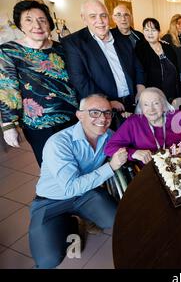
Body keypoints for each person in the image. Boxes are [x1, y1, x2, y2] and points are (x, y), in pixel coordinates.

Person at [28, 94, 128, 268]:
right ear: (79, 115)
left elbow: (131, 143)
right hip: (50, 201)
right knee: (47, 261)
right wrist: (110, 167)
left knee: (116, 220)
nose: (103, 118)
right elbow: (70, 188)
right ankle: (71, 224)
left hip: (86, 194)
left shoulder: (109, 136)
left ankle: (83, 216)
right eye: (94, 112)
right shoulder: (58, 143)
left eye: (107, 113)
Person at [0, 0, 78, 166]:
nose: (37, 25)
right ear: (20, 25)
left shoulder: (62, 48)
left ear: (49, 23)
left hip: (75, 118)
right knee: (54, 170)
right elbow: (7, 88)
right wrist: (8, 125)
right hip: (40, 125)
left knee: (82, 162)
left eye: (42, 20)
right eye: (29, 20)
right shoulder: (10, 51)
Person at [62, 0, 145, 114]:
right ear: (84, 19)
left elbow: (137, 65)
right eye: (93, 16)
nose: (100, 21)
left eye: (103, 15)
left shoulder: (121, 37)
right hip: (102, 109)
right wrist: (106, 102)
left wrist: (141, 88)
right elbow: (80, 80)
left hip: (132, 102)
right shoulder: (74, 43)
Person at [104, 87, 181, 166]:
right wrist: (133, 153)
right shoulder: (133, 123)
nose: (151, 109)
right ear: (141, 108)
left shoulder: (175, 116)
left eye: (156, 103)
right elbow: (109, 148)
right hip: (151, 169)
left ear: (164, 105)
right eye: (146, 105)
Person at [135, 18, 179, 103]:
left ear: (159, 31)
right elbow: (139, 72)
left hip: (172, 93)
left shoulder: (168, 47)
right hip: (154, 96)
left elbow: (176, 68)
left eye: (153, 30)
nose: (150, 33)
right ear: (143, 31)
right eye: (146, 30)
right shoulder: (140, 49)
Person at [161, 14, 181, 98]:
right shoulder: (167, 38)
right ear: (173, 24)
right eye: (179, 23)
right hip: (176, 77)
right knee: (176, 102)